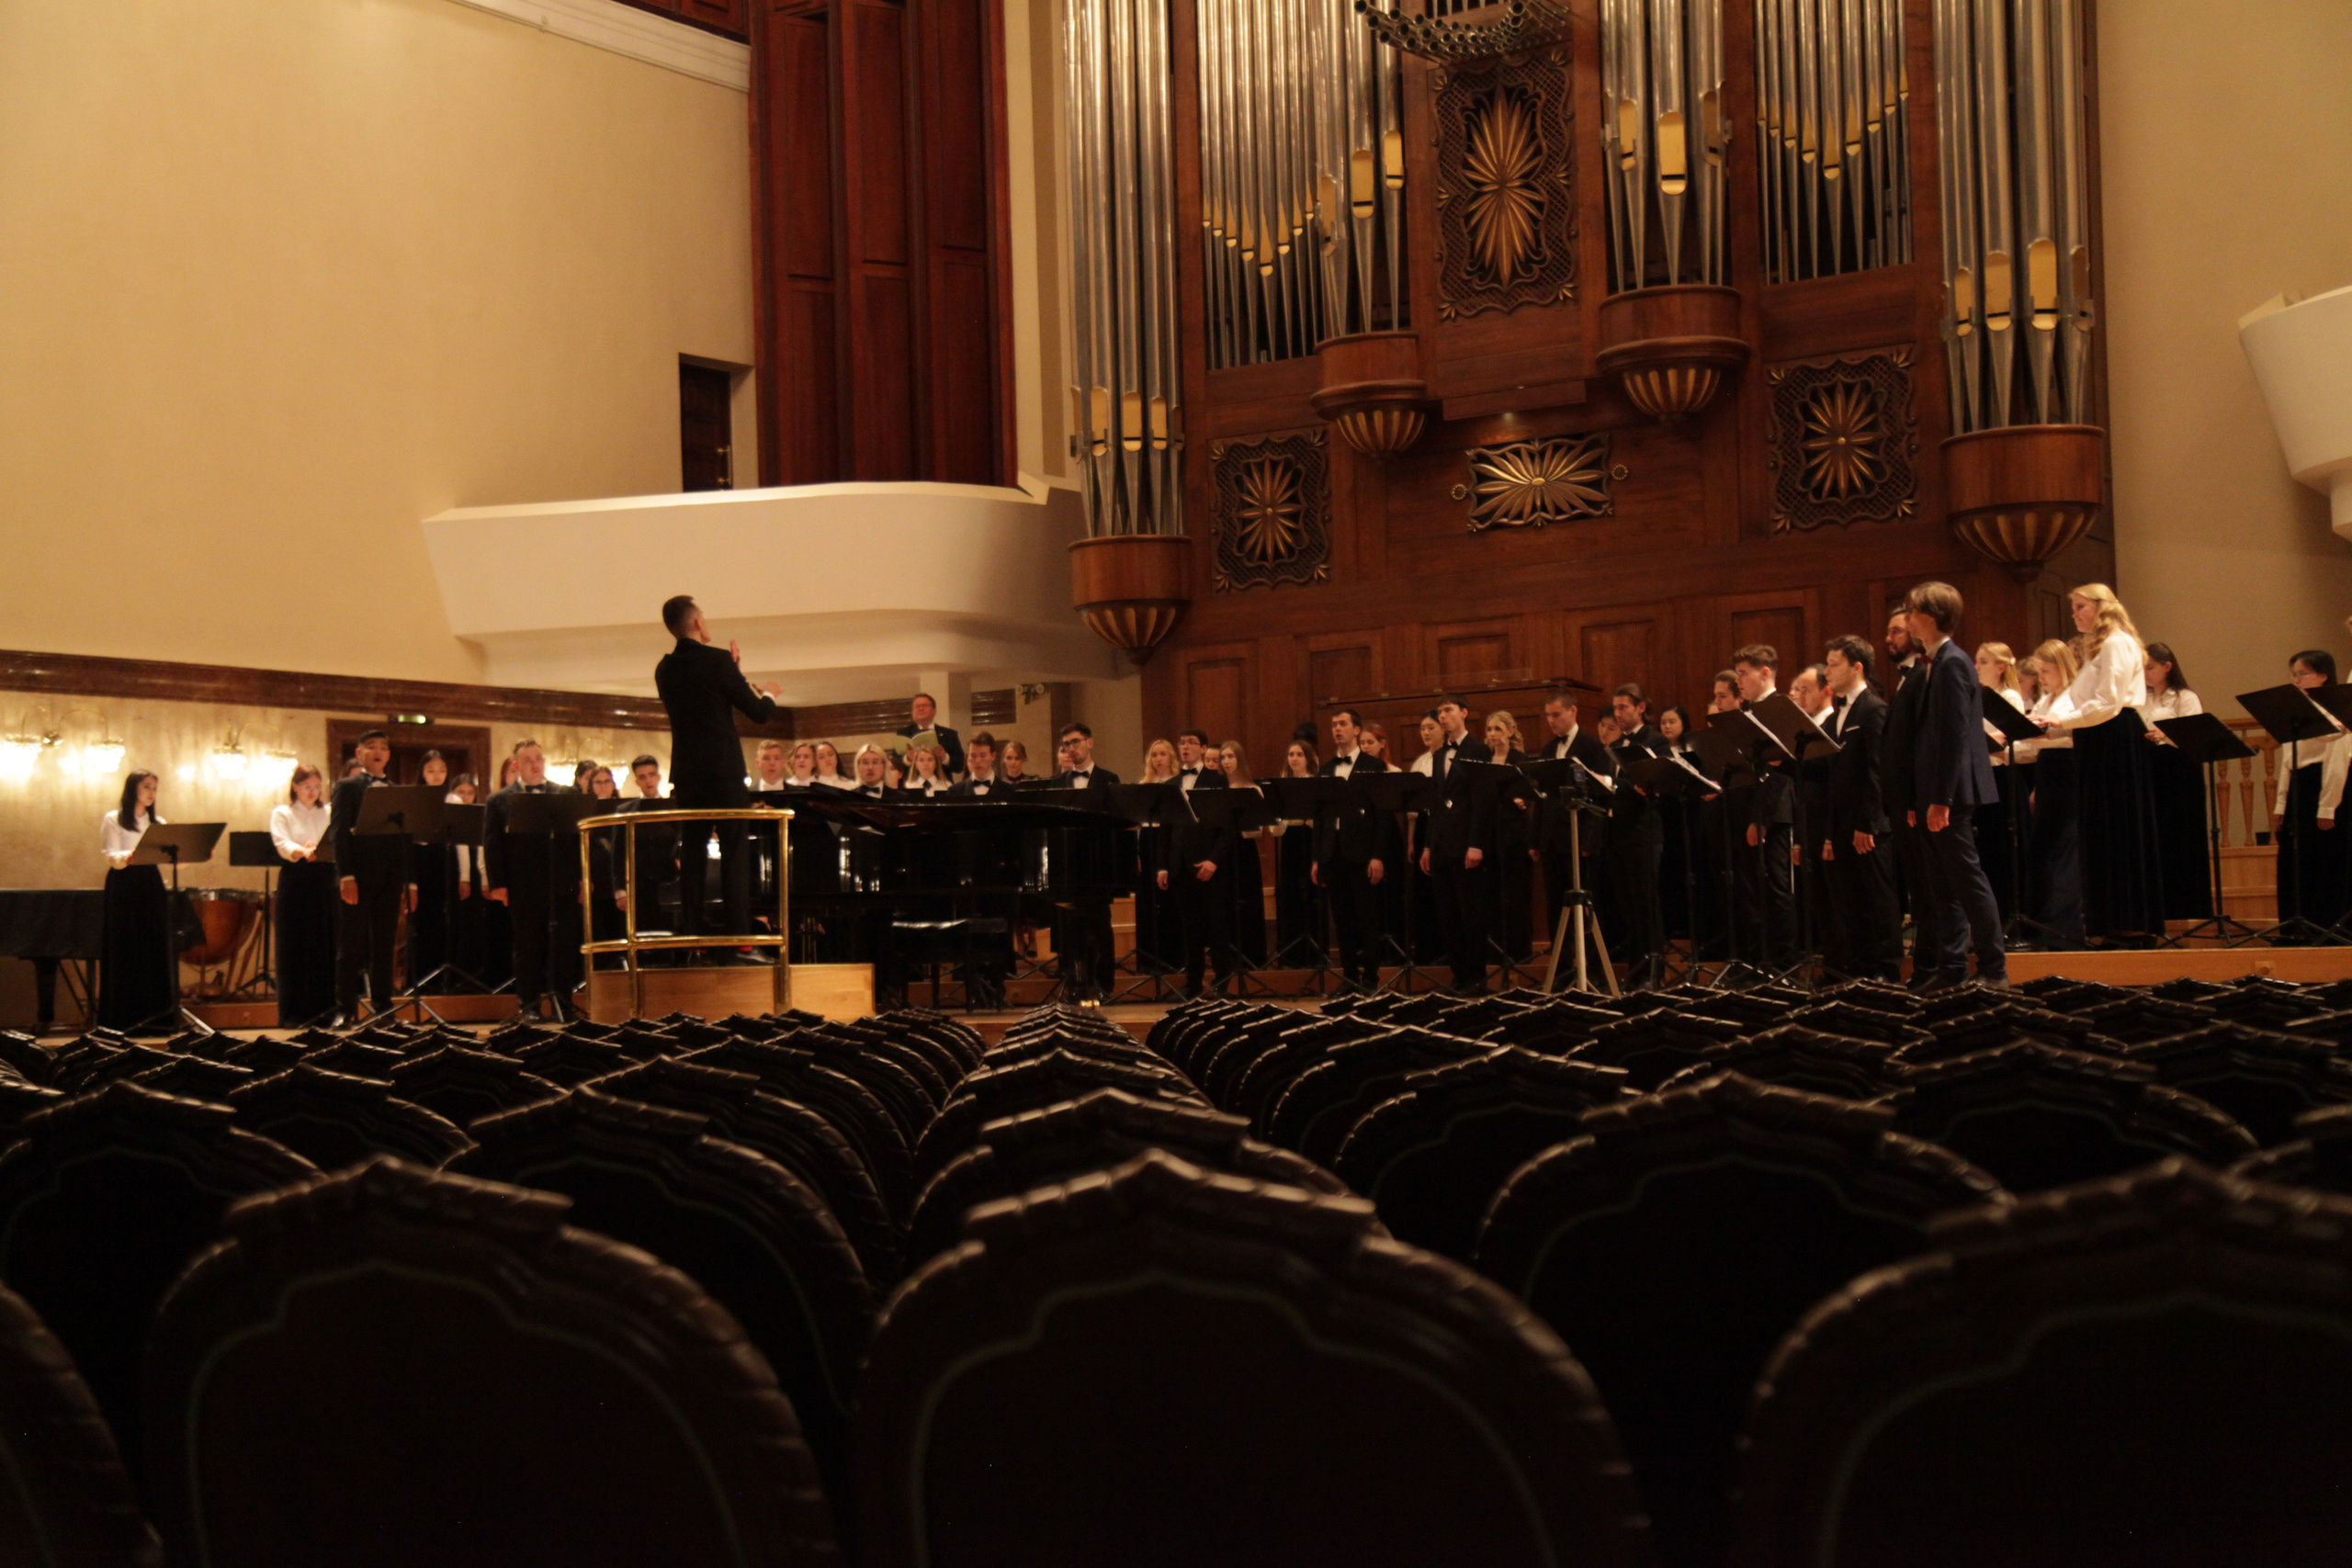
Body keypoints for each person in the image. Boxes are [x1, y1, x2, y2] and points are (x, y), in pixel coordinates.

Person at [653, 593, 784, 953]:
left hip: (687, 772)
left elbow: (700, 702)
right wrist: (769, 693)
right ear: (696, 622)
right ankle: (739, 934)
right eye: (704, 617)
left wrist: (732, 673)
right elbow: (758, 712)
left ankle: (694, 935)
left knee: (693, 850)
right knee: (734, 849)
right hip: (723, 771)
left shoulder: (664, 668)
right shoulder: (719, 661)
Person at [2036, 583, 2164, 943]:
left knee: (2118, 827)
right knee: (2099, 829)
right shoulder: (2097, 648)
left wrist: (2062, 721)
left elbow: (2109, 702)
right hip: (2096, 737)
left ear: (2101, 607)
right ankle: (2106, 922)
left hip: (2115, 737)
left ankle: (2129, 921)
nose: (2074, 613)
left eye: (2080, 607)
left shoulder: (2116, 642)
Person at [1905, 582, 2007, 989]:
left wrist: (1941, 799)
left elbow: (1953, 738)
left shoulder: (1953, 663)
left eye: (1912, 612)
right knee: (1943, 885)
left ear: (1930, 616)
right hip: (1939, 793)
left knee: (1967, 881)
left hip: (1952, 794)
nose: (1908, 619)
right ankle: (1951, 971)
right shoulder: (1939, 661)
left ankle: (1994, 970)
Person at [484, 738, 584, 1018]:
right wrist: (498, 884)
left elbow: (573, 842)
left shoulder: (563, 794)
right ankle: (528, 1005)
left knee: (563, 945)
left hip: (560, 881)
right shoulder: (499, 800)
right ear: (516, 765)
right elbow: (492, 845)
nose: (535, 764)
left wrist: (581, 879)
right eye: (527, 760)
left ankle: (562, 1003)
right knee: (528, 946)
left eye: (538, 758)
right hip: (522, 885)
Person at [1822, 637, 1901, 980]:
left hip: (1867, 823)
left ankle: (1884, 969)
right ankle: (1860, 967)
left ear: (1857, 667)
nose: (1827, 671)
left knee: (1877, 898)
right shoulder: (1839, 714)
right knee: (1849, 900)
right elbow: (1826, 769)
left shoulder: (1873, 708)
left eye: (1834, 664)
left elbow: (1877, 770)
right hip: (1841, 822)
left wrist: (1868, 823)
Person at [328, 730, 418, 1022]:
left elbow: (406, 839)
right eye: (371, 747)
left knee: (385, 945)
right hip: (359, 877)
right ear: (359, 753)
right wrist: (346, 877)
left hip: (391, 878)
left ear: (388, 755)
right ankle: (345, 1009)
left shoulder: (396, 789)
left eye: (383, 747)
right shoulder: (347, 787)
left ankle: (383, 1006)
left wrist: (410, 882)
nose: (378, 751)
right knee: (351, 944)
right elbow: (340, 833)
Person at [1532, 690, 1615, 972]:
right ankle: (1563, 969)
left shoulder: (1592, 747)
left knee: (1589, 905)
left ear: (1573, 711)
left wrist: (1590, 840)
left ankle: (1595, 969)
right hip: (1552, 839)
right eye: (1548, 716)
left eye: (1556, 715)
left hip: (1579, 838)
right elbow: (1543, 798)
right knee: (1556, 906)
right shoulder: (1547, 750)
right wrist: (1536, 839)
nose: (1551, 721)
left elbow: (1600, 797)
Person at [1729, 645, 1799, 968]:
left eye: (1743, 673)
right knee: (1754, 891)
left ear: (1765, 672)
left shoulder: (1779, 707)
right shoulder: (1751, 710)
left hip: (1772, 812)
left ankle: (1781, 965)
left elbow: (1780, 772)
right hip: (1750, 809)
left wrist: (1763, 818)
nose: (1738, 681)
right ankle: (1758, 962)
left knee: (1775, 889)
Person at [2272, 650, 2350, 937]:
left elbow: (2336, 755)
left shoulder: (2334, 707)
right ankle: (2296, 925)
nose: (2297, 679)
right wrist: (2281, 803)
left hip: (2321, 786)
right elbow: (2288, 759)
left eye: (2303, 673)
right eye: (2294, 674)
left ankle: (2324, 925)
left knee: (2322, 860)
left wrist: (2328, 806)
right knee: (2295, 860)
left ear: (2323, 675)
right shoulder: (2297, 709)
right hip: (2299, 786)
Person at [1420, 697, 1494, 995]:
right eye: (1440, 712)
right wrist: (1427, 846)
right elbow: (1435, 805)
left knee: (1471, 914)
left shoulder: (1478, 750)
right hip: (1441, 846)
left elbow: (1483, 801)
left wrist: (1476, 844)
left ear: (1464, 713)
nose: (1443, 716)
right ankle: (1459, 975)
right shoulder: (1439, 756)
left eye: (1448, 710)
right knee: (1448, 916)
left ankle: (1476, 977)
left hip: (1466, 845)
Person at [1313, 710, 1390, 991]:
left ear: (1357, 730)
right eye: (1333, 724)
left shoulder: (1374, 766)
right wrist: (1317, 858)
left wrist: (1378, 855)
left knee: (1366, 918)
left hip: (1362, 852)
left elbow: (1382, 816)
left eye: (1342, 724)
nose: (1337, 729)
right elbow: (1320, 818)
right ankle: (1348, 977)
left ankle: (1370, 977)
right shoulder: (1325, 769)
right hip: (1332, 853)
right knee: (1342, 920)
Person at [1880, 610, 1936, 972]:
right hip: (1902, 800)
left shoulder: (1924, 675)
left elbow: (1922, 742)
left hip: (1916, 800)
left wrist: (1916, 797)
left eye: (1897, 631)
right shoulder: (1906, 677)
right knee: (1918, 886)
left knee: (1929, 888)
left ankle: (1934, 964)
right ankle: (1925, 963)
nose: (1890, 638)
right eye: (1889, 631)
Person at [96, 769, 173, 1031]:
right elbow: (110, 854)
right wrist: (126, 857)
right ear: (133, 790)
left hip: (151, 884)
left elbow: (169, 859)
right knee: (126, 946)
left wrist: (195, 854)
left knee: (153, 945)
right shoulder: (114, 819)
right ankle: (123, 1017)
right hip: (124, 885)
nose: (151, 793)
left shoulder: (158, 823)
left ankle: (157, 1016)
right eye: (146, 787)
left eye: (154, 788)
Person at [2142, 642, 2213, 921]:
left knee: (2180, 835)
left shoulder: (2185, 697)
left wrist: (2164, 737)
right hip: (2151, 770)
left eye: (2150, 667)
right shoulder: (2141, 698)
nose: (2145, 673)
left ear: (2167, 667)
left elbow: (2193, 734)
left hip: (2178, 771)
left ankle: (2188, 908)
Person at [1050, 722, 1121, 998]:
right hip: (1068, 863)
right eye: (1066, 744)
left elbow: (1116, 822)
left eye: (1076, 742)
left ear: (1090, 743)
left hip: (1099, 862)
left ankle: (1103, 985)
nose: (1071, 749)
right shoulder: (1058, 783)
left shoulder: (1109, 779)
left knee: (1101, 923)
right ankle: (1076, 984)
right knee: (1070, 925)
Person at [1606, 684, 1670, 985]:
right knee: (1628, 906)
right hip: (1619, 833)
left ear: (1640, 708)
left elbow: (1655, 784)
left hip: (1644, 832)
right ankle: (1635, 970)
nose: (1618, 714)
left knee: (1646, 904)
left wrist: (1617, 788)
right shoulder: (1617, 745)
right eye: (1615, 708)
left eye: (1623, 708)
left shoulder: (1655, 741)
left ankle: (1653, 971)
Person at [1161, 731, 1235, 996]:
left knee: (1216, 926)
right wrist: (1163, 865)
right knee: (1189, 930)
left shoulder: (1216, 780)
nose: (1185, 747)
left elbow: (1228, 827)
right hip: (1181, 865)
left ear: (1203, 748)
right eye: (1181, 742)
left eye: (1191, 743)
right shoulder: (1171, 783)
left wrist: (1214, 861)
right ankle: (1193, 982)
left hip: (1209, 865)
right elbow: (1167, 830)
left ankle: (1223, 980)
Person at [2025, 639, 2086, 946]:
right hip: (2048, 773)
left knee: (2064, 851)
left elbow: (2073, 736)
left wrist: (2043, 732)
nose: (2042, 678)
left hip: (2066, 773)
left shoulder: (2075, 696)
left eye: (2046, 671)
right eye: (2038, 673)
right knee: (2043, 851)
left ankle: (2065, 929)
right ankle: (2043, 923)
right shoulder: (2046, 700)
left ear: (2063, 667)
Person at [271, 764, 337, 1025]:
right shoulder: (282, 812)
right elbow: (281, 843)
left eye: (317, 787)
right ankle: (294, 1014)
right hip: (296, 879)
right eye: (307, 786)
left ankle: (327, 1012)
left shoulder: (329, 812)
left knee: (324, 942)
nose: (312, 792)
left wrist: (320, 850)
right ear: (295, 787)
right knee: (295, 944)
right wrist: (302, 850)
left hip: (324, 879)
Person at [1973, 643, 2028, 921]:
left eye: (1983, 662)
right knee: (1985, 847)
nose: (1977, 667)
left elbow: (2005, 740)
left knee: (2001, 846)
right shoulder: (1978, 698)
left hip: (2002, 776)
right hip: (1982, 776)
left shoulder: (2009, 697)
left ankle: (2007, 914)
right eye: (1977, 661)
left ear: (2001, 667)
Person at [1482, 711, 1535, 964]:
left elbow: (1534, 795)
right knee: (1491, 894)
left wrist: (1524, 800)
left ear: (1510, 732)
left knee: (1517, 894)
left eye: (1497, 729)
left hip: (1515, 833)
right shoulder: (1484, 761)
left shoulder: (1521, 760)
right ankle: (1495, 951)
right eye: (1490, 729)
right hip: (1491, 833)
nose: (1492, 734)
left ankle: (1519, 952)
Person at [1273, 739, 1327, 969]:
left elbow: (1321, 819)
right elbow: (1276, 826)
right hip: (1290, 840)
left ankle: (1315, 952)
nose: (1294, 758)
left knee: (1312, 893)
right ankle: (1291, 953)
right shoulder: (1282, 785)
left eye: (1299, 755)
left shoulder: (1316, 783)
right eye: (1291, 754)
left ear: (1308, 759)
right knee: (1290, 894)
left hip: (1310, 838)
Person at [406, 750, 455, 991]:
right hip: (421, 863)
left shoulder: (453, 800)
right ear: (422, 773)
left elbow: (463, 842)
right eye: (431, 771)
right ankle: (419, 983)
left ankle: (444, 982)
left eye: (442, 771)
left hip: (445, 860)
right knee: (421, 924)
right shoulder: (414, 798)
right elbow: (411, 844)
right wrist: (411, 884)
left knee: (444, 923)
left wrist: (465, 877)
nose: (437, 776)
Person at [1134, 739, 1182, 976]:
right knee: (1146, 901)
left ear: (1171, 757)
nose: (1158, 759)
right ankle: (1148, 960)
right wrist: (1135, 853)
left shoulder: (1177, 784)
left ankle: (1172, 958)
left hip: (1169, 842)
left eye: (1163, 754)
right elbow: (1137, 825)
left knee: (1169, 901)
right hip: (1147, 842)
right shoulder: (1144, 785)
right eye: (1154, 755)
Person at [1219, 739, 1270, 968]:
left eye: (1231, 757)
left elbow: (1258, 830)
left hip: (1243, 849)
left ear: (1239, 759)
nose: (1226, 761)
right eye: (1223, 757)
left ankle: (1251, 957)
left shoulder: (1252, 789)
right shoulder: (1218, 790)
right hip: (1223, 851)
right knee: (1225, 903)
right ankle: (1228, 956)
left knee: (1247, 901)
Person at [1655, 703, 1702, 947]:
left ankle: (1689, 925)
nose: (1667, 726)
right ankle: (1671, 924)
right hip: (1666, 814)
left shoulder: (1693, 747)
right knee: (1668, 871)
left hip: (1689, 813)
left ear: (1683, 723)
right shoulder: (1658, 752)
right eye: (1663, 722)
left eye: (1672, 721)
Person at [896, 693, 965, 778]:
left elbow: (960, 765)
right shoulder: (903, 733)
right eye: (917, 706)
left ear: (934, 711)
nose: (921, 708)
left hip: (942, 785)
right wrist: (908, 758)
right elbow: (895, 764)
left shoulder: (949, 734)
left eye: (925, 705)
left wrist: (944, 757)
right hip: (911, 786)